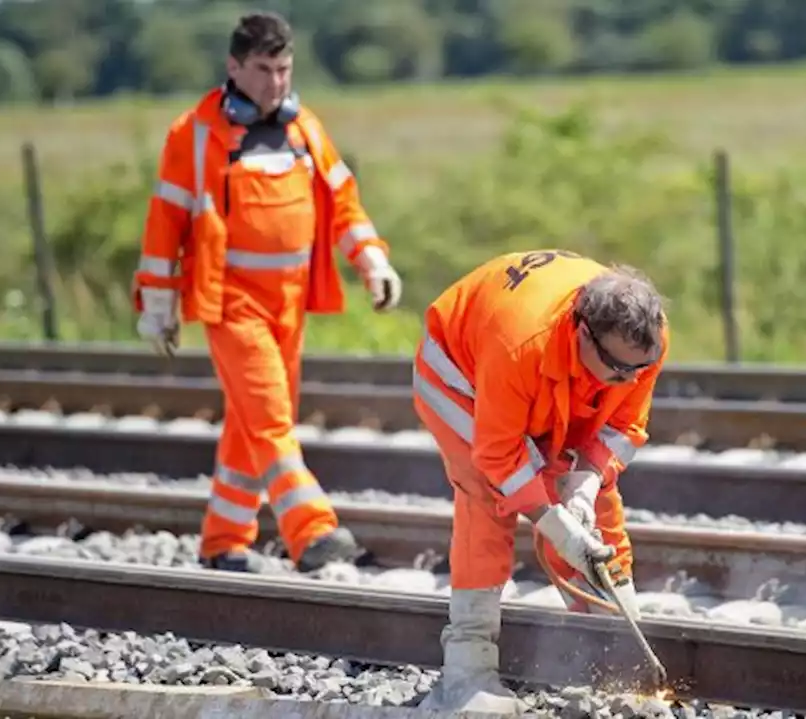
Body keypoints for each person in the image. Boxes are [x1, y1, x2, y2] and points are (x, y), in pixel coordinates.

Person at [129, 11, 403, 574]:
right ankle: (313, 531)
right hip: (230, 302)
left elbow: (343, 203)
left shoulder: (305, 129)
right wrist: (157, 305)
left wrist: (372, 262)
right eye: (263, 69)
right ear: (234, 67)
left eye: (284, 69)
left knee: (249, 423)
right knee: (272, 420)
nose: (276, 82)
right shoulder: (195, 133)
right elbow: (165, 223)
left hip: (290, 303)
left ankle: (224, 541)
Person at [411, 250, 669, 714]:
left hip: (544, 373)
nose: (627, 380)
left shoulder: (641, 346)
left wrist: (586, 485)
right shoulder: (519, 345)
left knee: (595, 510)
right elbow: (498, 457)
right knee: (489, 498)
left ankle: (620, 655)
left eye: (638, 371)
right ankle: (467, 669)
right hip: (459, 375)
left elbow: (625, 426)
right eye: (617, 370)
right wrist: (553, 524)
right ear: (582, 331)